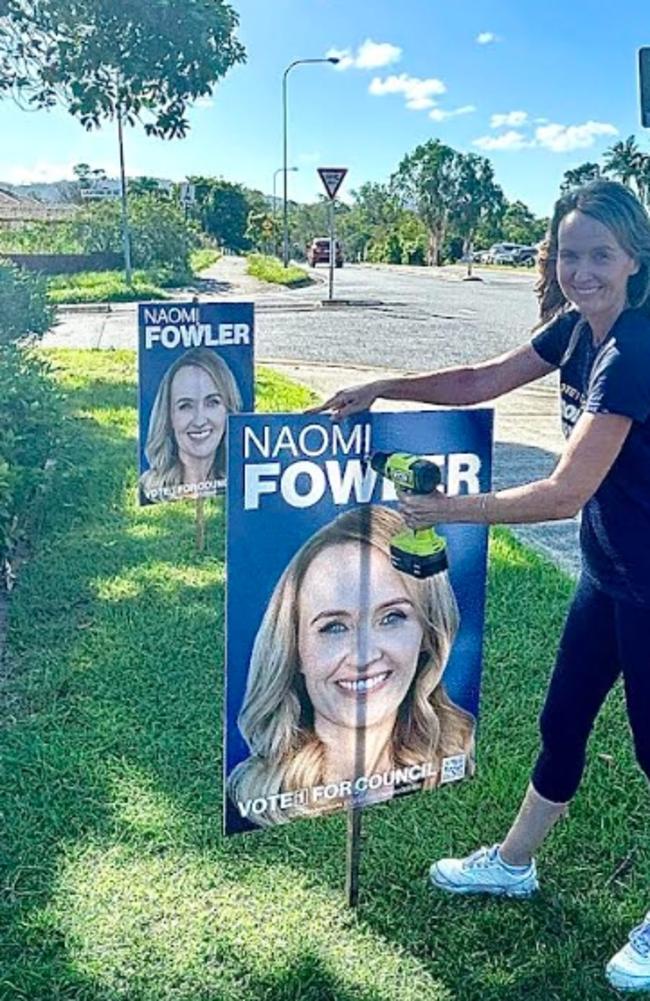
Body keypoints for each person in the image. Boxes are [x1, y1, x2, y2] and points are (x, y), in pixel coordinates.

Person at [314, 180, 650, 993]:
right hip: (612, 573)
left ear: (635, 258)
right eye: (569, 254)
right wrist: (382, 386)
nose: (582, 271)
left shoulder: (635, 349)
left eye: (600, 255)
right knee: (561, 720)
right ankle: (513, 863)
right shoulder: (577, 329)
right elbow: (479, 377)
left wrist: (441, 509)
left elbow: (562, 493)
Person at [227, 505, 475, 827]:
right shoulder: (249, 801)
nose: (363, 657)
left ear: (427, 635)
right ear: (294, 650)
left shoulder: (455, 759)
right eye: (333, 627)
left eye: (391, 617)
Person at [139, 347, 242, 503]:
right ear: (169, 417)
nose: (199, 421)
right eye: (185, 406)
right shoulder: (149, 490)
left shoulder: (244, 485)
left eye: (212, 402)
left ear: (228, 409)